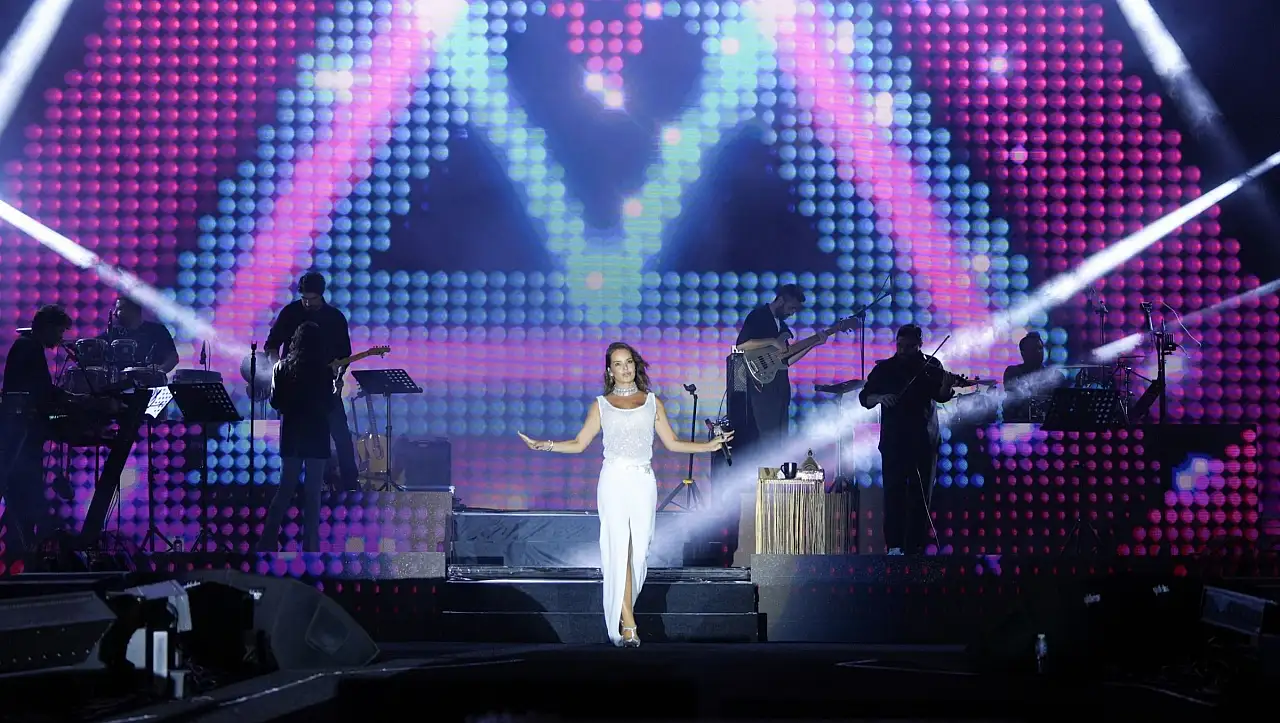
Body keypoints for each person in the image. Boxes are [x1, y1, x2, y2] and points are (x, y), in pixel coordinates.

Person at [517, 342, 732, 647]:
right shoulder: (601, 405)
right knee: (619, 549)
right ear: (610, 371)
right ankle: (628, 622)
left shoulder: (652, 402)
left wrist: (708, 446)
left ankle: (625, 609)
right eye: (618, 364)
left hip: (643, 482)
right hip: (614, 481)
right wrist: (546, 445)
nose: (625, 368)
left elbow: (672, 442)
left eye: (628, 362)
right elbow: (579, 443)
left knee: (639, 553)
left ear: (635, 364)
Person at [858, 324, 957, 555]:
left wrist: (947, 384)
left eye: (909, 347)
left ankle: (916, 547)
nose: (903, 351)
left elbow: (941, 396)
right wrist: (880, 397)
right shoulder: (885, 368)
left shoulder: (932, 365)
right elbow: (865, 397)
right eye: (900, 346)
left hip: (924, 439)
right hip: (894, 440)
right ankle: (894, 546)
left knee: (921, 496)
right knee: (894, 494)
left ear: (920, 344)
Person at [265, 271, 358, 492]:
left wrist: (338, 375)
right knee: (292, 440)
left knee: (340, 435)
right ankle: (295, 486)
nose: (307, 303)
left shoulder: (335, 318)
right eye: (304, 299)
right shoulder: (290, 313)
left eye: (312, 299)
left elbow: (344, 355)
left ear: (322, 295)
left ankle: (350, 485)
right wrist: (279, 371)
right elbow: (271, 346)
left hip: (323, 387)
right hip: (293, 389)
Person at [0, 305, 74, 553]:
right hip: (21, 432)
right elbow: (40, 390)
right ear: (48, 327)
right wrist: (70, 400)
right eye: (59, 331)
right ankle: (25, 547)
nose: (60, 338)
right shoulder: (28, 347)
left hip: (21, 430)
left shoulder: (28, 345)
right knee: (26, 487)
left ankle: (22, 545)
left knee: (23, 489)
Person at [258, 322, 333, 552]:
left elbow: (275, 402)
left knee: (284, 490)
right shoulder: (323, 370)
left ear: (295, 342)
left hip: (292, 435)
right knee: (313, 495)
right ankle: (311, 547)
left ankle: (267, 543)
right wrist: (337, 389)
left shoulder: (281, 367)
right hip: (317, 434)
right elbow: (328, 405)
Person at [732, 284, 825, 449]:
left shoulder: (782, 327)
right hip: (761, 389)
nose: (792, 313)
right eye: (791, 308)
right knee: (768, 440)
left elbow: (786, 361)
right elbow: (741, 345)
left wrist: (813, 344)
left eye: (795, 310)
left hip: (780, 389)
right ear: (781, 300)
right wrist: (772, 341)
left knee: (780, 441)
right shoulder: (758, 315)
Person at [102, 296, 180, 372]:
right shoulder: (113, 333)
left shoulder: (158, 330)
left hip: (150, 379)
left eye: (119, 309)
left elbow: (172, 358)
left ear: (132, 310)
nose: (114, 313)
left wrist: (160, 370)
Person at [1002, 332, 1064, 422]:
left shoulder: (1055, 375)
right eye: (1033, 349)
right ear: (1023, 353)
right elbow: (1016, 400)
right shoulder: (1013, 372)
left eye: (1040, 348)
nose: (1038, 352)